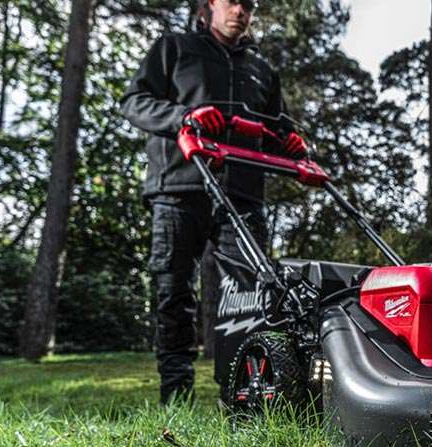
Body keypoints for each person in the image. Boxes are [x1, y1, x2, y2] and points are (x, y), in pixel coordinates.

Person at [120, 0, 307, 404]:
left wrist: (292, 143)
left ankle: (241, 394)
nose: (240, 10)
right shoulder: (175, 48)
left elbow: (279, 127)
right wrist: (184, 117)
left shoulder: (261, 69)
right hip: (179, 187)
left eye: (249, 5)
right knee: (174, 289)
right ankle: (176, 394)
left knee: (248, 294)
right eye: (232, 1)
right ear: (209, 6)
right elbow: (134, 102)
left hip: (242, 193)